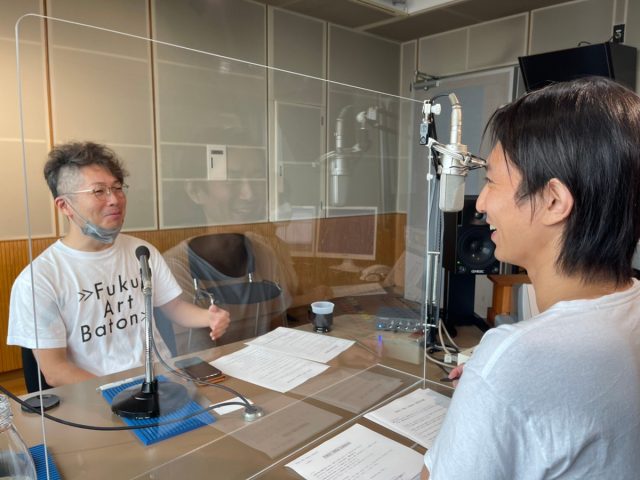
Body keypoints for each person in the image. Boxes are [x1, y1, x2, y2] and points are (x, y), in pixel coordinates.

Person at [423, 77, 640, 479]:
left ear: (554, 200)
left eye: (491, 181)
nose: (481, 203)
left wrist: (496, 379)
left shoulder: (517, 356)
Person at [7, 142, 230, 387]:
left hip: (162, 383)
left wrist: (208, 317)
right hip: (97, 396)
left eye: (117, 188)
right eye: (99, 191)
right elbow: (56, 371)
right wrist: (120, 393)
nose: (114, 199)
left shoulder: (142, 252)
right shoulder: (38, 279)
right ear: (65, 206)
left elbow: (174, 308)